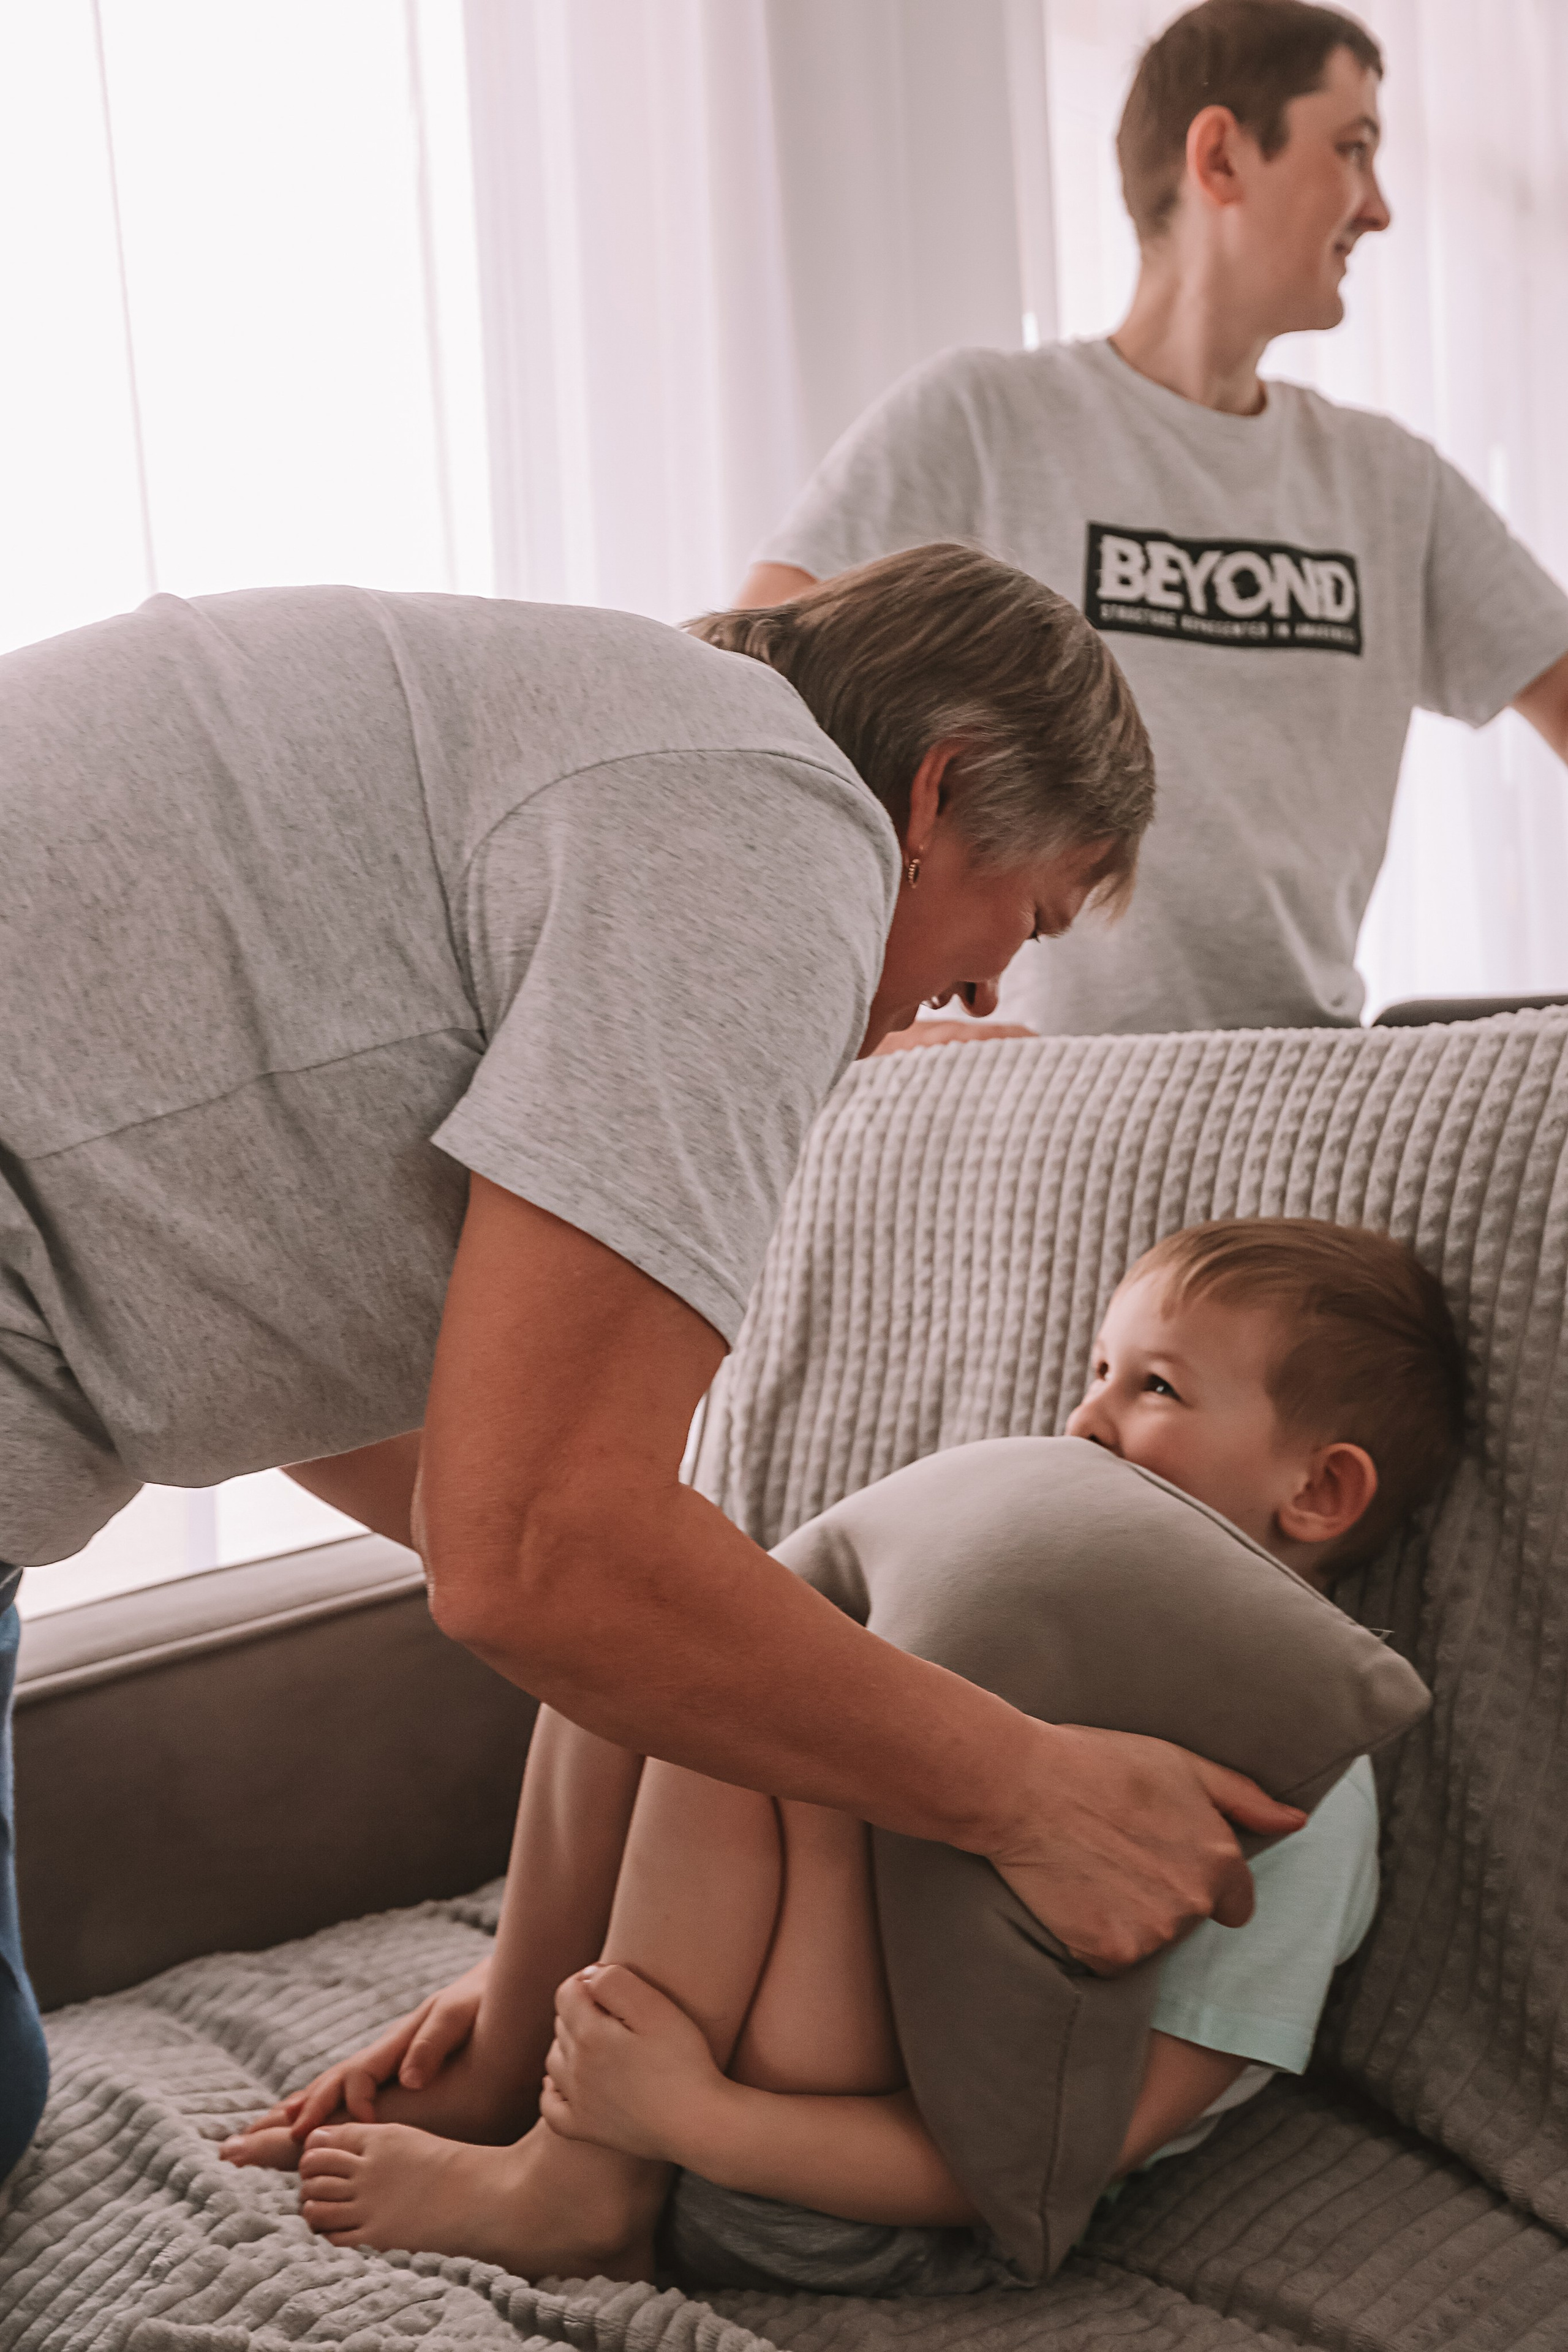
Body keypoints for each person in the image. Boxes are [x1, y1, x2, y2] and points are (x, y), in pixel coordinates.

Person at [0, 543, 1306, 2183]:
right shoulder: (768, 826)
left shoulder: (595, 751)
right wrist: (1029, 1793)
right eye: (1023, 915)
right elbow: (542, 1553)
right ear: (936, 789)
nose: (986, 988)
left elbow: (290, 1367)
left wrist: (539, 1982)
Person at [221, 1217, 1463, 2292]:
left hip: (853, 2211)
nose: (1082, 1417)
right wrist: (546, 1991)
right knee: (656, 1662)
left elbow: (1070, 2154)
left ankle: (580, 2191)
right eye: (1095, 1369)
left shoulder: (1305, 1797)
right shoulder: (1023, 1653)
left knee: (752, 1719)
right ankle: (519, 2080)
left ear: (1317, 1493)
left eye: (1156, 1389)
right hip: (722, 2083)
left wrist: (694, 2118)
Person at [739, 0, 1568, 1045]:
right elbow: (756, 699)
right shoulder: (982, 420)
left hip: (1308, 1091)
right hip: (1030, 1096)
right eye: (1352, 150)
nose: (1380, 208)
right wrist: (892, 1021)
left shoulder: (1392, 483)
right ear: (1219, 155)